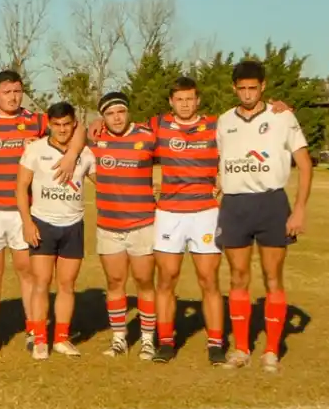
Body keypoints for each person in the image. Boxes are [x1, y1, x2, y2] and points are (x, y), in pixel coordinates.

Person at [216, 60, 313, 372]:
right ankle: (242, 348)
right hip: (234, 206)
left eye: (252, 88)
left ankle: (271, 350)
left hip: (271, 204)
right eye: (241, 88)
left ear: (263, 86)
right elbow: (219, 162)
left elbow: (306, 164)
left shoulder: (282, 116)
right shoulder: (224, 120)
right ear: (234, 88)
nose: (247, 94)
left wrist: (298, 209)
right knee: (237, 277)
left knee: (273, 277)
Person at [148, 77, 224, 364]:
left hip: (206, 212)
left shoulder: (217, 126)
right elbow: (126, 134)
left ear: (198, 100)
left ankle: (216, 343)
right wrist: (97, 126)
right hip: (169, 213)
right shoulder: (158, 125)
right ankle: (166, 341)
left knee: (209, 280)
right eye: (179, 99)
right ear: (170, 101)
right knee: (166, 279)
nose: (185, 104)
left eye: (190, 99)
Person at [17, 102, 95, 360]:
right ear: (49, 124)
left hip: (74, 225)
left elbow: (105, 182)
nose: (62, 129)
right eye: (56, 124)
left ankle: (61, 338)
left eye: (67, 124)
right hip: (43, 224)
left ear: (74, 124)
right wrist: (27, 223)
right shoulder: (35, 150)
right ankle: (40, 339)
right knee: (41, 283)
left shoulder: (85, 154)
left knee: (67, 285)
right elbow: (21, 188)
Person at [0, 69, 48, 348]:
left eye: (17, 91)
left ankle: (33, 330)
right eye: (7, 92)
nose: (13, 97)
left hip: (23, 210)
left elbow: (72, 128)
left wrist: (92, 129)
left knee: (26, 269)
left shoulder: (36, 121)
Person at [89, 91, 158, 359]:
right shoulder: (96, 139)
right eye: (109, 113)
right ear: (103, 117)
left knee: (144, 281)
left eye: (120, 111)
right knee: (115, 281)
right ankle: (119, 338)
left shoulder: (147, 135)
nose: (116, 117)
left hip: (143, 224)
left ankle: (148, 339)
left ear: (127, 112)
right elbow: (69, 137)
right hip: (109, 225)